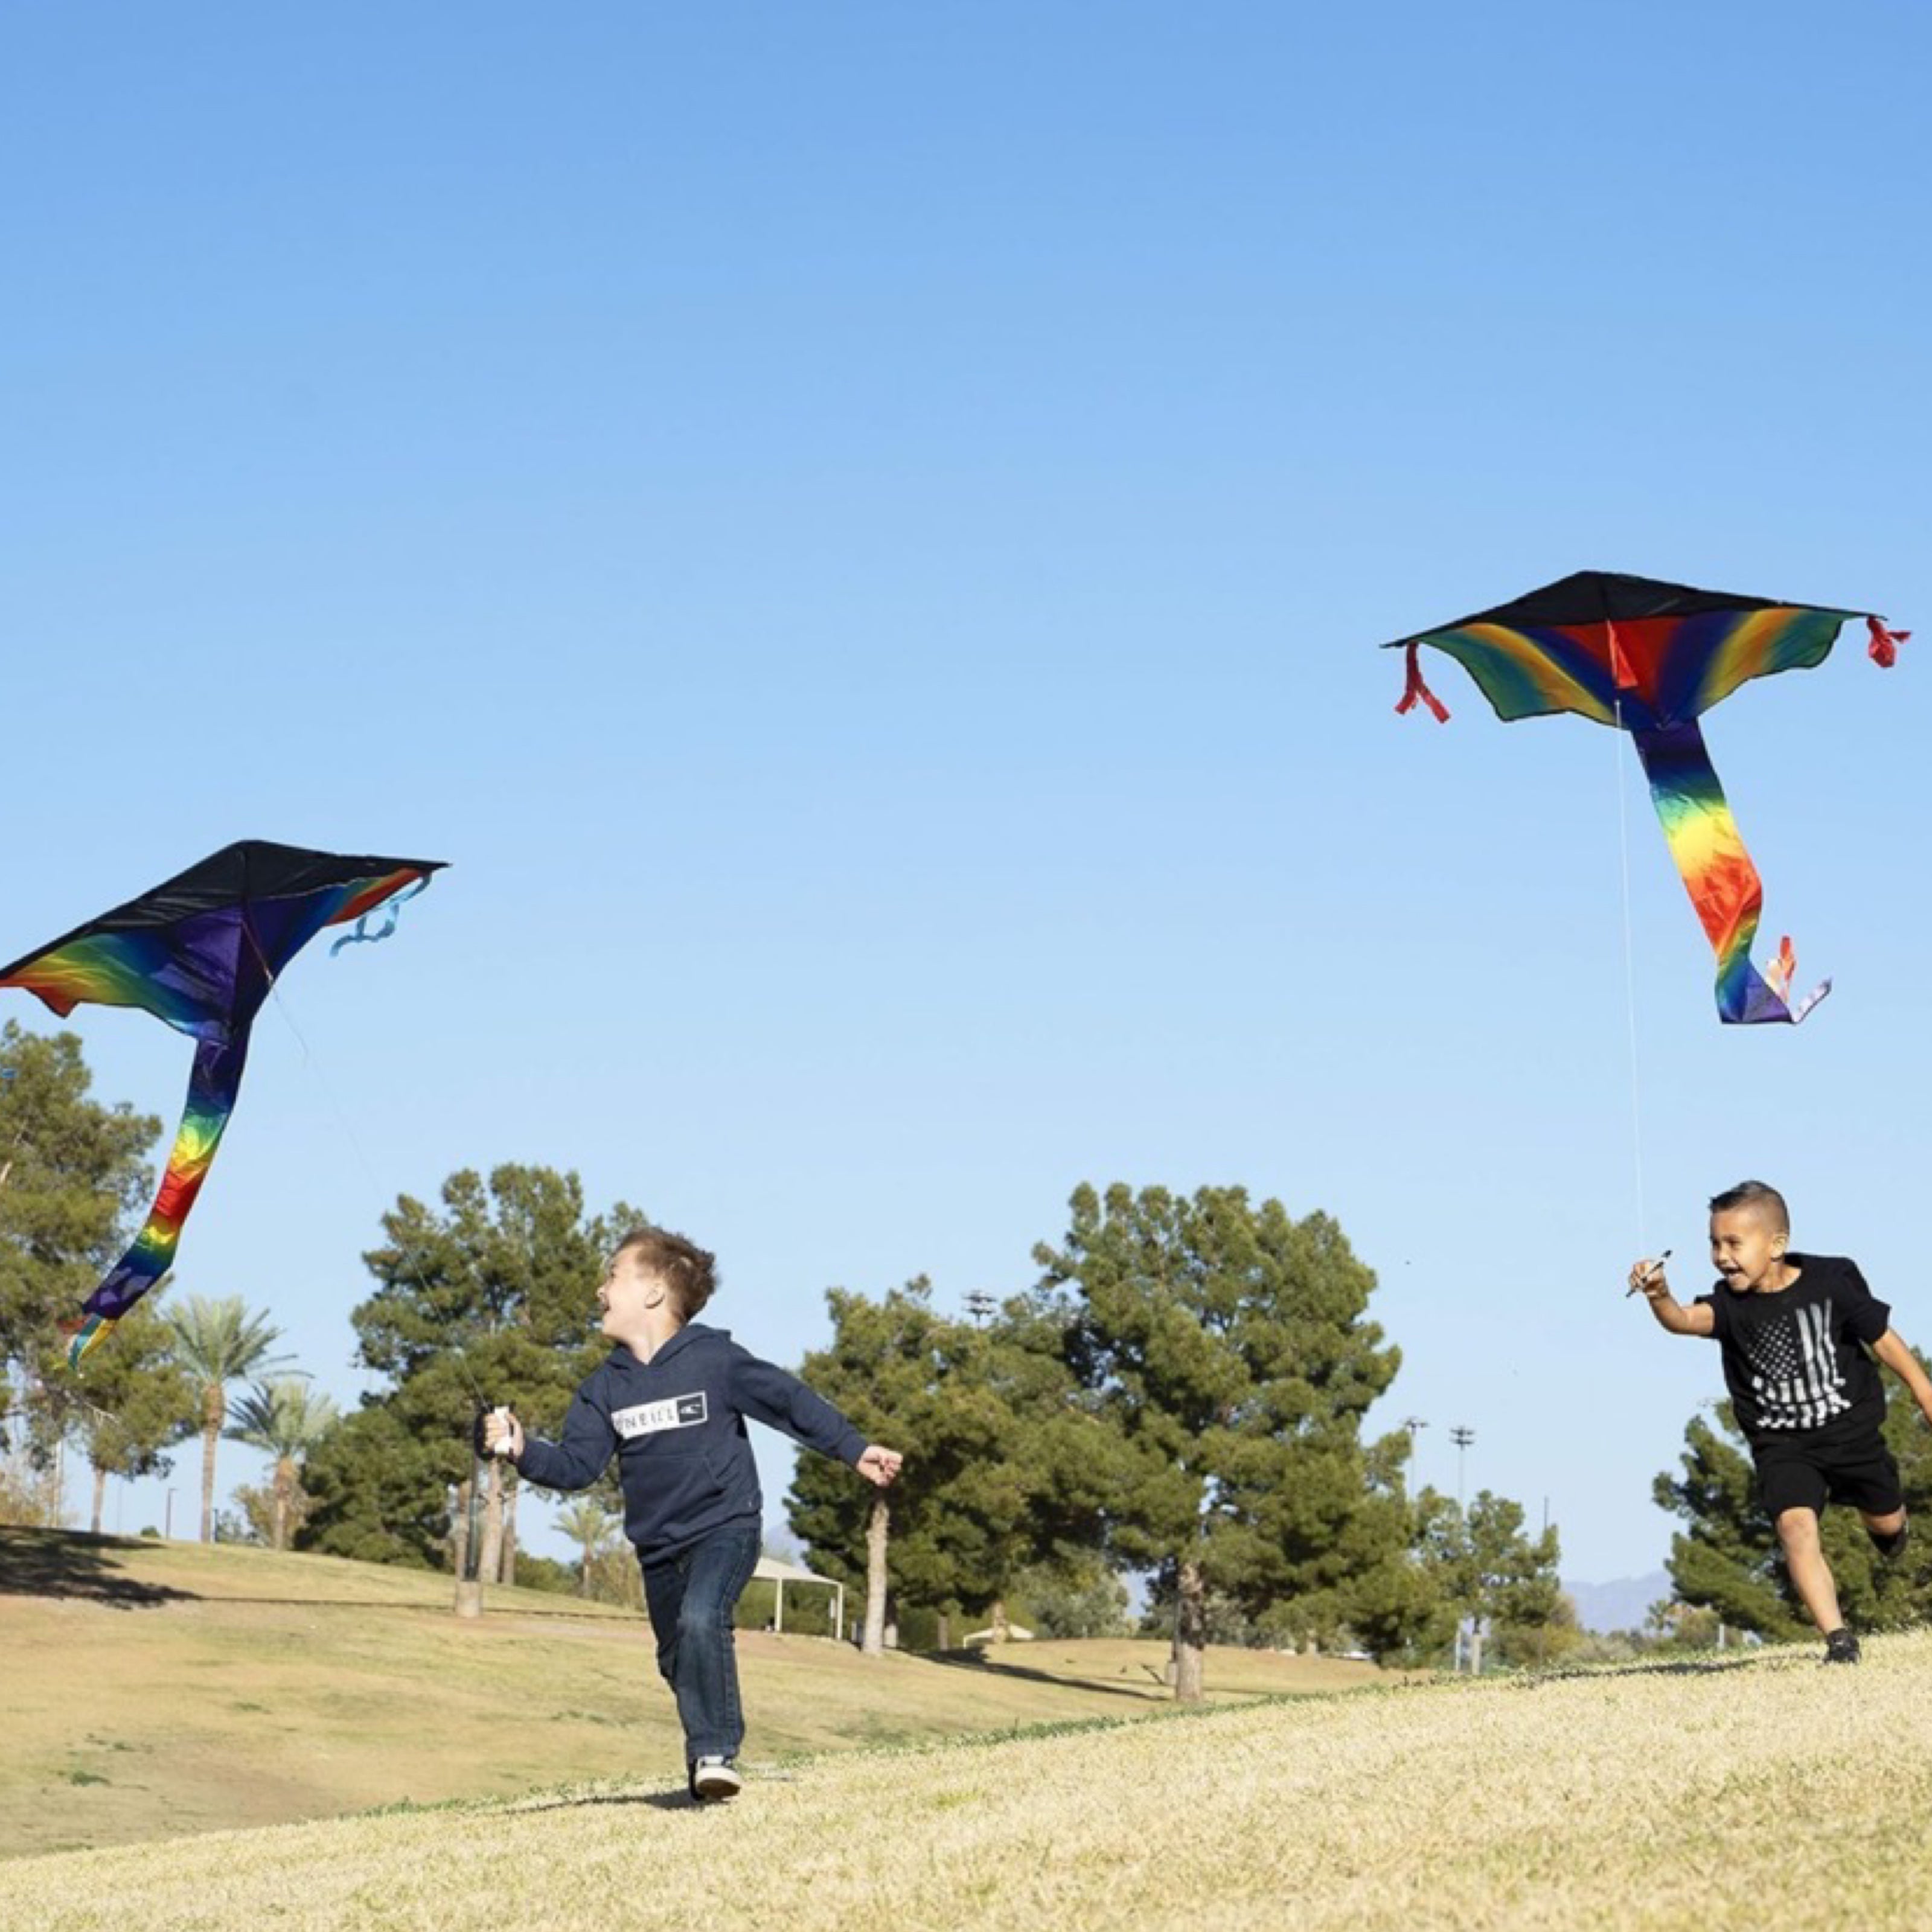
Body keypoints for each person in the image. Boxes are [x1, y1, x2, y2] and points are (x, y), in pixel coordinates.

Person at [484, 1227, 902, 1797]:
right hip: (658, 1549)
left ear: (654, 1292)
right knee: (678, 1656)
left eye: (611, 1276)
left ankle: (714, 1752)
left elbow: (788, 1402)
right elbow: (578, 1466)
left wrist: (853, 1449)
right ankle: (705, 1768)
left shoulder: (714, 1360)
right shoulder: (602, 1389)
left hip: (724, 1527)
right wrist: (522, 1448)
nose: (598, 1290)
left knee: (703, 1620)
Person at [1632, 1179, 1932, 1663]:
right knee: (1795, 1528)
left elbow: (1884, 1340)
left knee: (1887, 1521)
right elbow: (1683, 1321)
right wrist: (1658, 1295)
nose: (1722, 1256)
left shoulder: (1832, 1282)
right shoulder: (1729, 1306)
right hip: (1783, 1445)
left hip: (1850, 1433)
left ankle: (1892, 1533)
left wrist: (1924, 1392)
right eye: (1714, 1243)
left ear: (1776, 1245)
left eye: (1734, 1243)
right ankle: (1839, 1640)